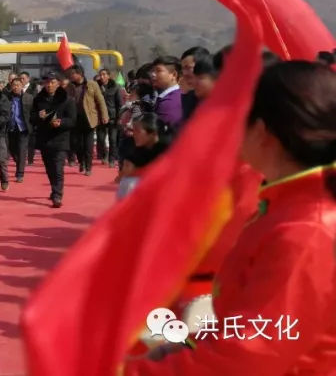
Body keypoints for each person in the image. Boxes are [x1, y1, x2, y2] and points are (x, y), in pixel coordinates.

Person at [126, 59, 336, 374]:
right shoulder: (290, 205)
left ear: (262, 131)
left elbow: (250, 355)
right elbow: (253, 321)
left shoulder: (307, 230)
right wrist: (190, 344)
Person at [32, 72, 77, 208]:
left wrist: (61, 122)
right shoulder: (38, 99)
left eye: (52, 82)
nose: (49, 85)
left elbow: (72, 120)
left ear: (58, 83)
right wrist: (38, 116)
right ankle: (54, 188)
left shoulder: (67, 100)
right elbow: (31, 118)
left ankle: (57, 195)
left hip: (60, 139)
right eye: (47, 82)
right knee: (49, 168)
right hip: (45, 139)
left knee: (58, 168)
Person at [66, 64, 109, 176]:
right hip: (75, 119)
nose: (71, 76)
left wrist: (104, 115)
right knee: (77, 144)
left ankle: (88, 167)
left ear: (80, 74)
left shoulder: (92, 84)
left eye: (73, 73)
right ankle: (82, 162)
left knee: (88, 145)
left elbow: (100, 101)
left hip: (89, 119)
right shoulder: (69, 86)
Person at [6, 77, 33, 182]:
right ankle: (19, 164)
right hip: (11, 128)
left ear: (22, 86)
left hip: (23, 128)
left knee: (22, 151)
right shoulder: (7, 98)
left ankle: (20, 174)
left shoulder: (28, 98)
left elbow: (32, 112)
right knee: (12, 150)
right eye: (14, 85)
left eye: (18, 85)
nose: (16, 87)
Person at [97, 68, 125, 165]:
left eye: (104, 74)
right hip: (100, 116)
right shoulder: (96, 86)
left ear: (108, 76)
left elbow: (119, 104)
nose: (102, 77)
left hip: (113, 117)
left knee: (112, 139)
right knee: (100, 139)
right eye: (100, 75)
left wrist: (119, 117)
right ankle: (104, 155)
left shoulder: (115, 87)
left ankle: (112, 159)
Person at [149, 56, 184, 133]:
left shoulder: (170, 102)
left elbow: (162, 134)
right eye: (152, 71)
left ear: (174, 75)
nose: (153, 75)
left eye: (158, 71)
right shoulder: (170, 96)